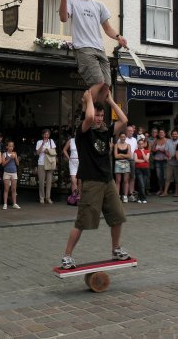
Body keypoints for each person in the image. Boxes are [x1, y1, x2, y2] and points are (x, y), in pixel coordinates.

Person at [61, 89, 130, 269]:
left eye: (101, 115)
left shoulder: (105, 132)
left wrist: (111, 101)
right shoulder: (83, 132)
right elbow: (89, 118)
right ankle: (67, 256)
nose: (98, 118)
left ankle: (115, 249)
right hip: (91, 181)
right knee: (83, 221)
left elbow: (124, 120)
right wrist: (88, 99)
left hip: (107, 180)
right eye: (97, 115)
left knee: (117, 216)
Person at [59, 0, 127, 104]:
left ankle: (96, 112)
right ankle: (85, 110)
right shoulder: (71, 2)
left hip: (99, 49)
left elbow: (107, 29)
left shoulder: (99, 6)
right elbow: (63, 18)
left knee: (107, 85)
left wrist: (119, 37)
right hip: (84, 48)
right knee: (98, 82)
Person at [36, 129, 56, 204]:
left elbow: (53, 151)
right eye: (45, 134)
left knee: (49, 181)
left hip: (50, 162)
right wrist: (42, 145)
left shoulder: (51, 141)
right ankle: (42, 197)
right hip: (41, 163)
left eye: (47, 134)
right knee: (41, 181)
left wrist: (46, 151)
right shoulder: (39, 142)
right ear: (42, 135)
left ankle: (48, 197)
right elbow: (37, 152)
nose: (46, 136)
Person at [2, 141, 21, 209]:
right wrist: (10, 158)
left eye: (12, 146)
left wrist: (15, 157)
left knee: (13, 189)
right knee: (6, 189)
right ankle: (5, 204)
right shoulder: (4, 154)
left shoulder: (15, 153)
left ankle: (14, 203)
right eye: (9, 146)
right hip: (7, 172)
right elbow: (3, 164)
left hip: (14, 172)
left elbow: (18, 164)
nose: (11, 147)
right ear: (7, 147)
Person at [114, 132, 131, 203]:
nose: (123, 138)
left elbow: (129, 156)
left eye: (124, 137)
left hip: (126, 163)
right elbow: (115, 156)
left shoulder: (128, 145)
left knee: (126, 180)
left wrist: (120, 154)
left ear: (125, 137)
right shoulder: (116, 145)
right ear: (119, 137)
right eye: (121, 137)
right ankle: (117, 196)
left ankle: (125, 196)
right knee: (118, 181)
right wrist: (124, 155)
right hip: (118, 163)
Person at [160, 129, 178, 197]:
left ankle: (176, 193)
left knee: (177, 179)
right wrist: (168, 155)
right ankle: (165, 192)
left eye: (176, 134)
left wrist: (174, 156)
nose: (174, 135)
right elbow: (166, 150)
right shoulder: (168, 141)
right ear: (171, 135)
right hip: (169, 163)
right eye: (173, 134)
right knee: (167, 178)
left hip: (177, 163)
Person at [151, 128, 168, 195]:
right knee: (159, 176)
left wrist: (162, 151)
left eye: (162, 132)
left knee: (164, 176)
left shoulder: (167, 140)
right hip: (157, 160)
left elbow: (169, 150)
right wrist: (156, 150)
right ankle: (160, 189)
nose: (161, 134)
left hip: (165, 160)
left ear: (165, 134)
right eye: (160, 132)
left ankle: (165, 190)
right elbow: (152, 149)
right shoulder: (156, 140)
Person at [134, 139, 150, 203]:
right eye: (139, 144)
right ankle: (144, 198)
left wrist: (142, 151)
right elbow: (136, 160)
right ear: (138, 144)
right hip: (138, 169)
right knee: (141, 184)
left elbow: (146, 159)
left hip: (146, 169)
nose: (140, 145)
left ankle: (139, 198)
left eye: (142, 144)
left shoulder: (147, 151)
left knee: (143, 184)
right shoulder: (136, 151)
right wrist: (144, 160)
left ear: (144, 144)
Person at [124, 125, 138, 202]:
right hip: (125, 160)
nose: (130, 132)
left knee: (132, 177)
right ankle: (124, 194)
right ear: (126, 131)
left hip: (132, 160)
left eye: (132, 131)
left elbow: (136, 150)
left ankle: (131, 193)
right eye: (129, 131)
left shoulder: (135, 140)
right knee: (125, 178)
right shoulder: (123, 139)